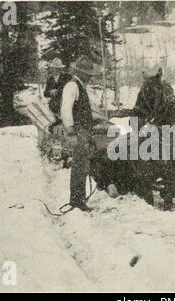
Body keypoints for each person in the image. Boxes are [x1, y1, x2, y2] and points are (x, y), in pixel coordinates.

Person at [60, 56, 99, 211]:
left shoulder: (81, 86)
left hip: (85, 130)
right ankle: (77, 201)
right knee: (79, 166)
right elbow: (65, 110)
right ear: (81, 73)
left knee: (82, 166)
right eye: (87, 74)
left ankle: (79, 199)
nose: (89, 77)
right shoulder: (72, 86)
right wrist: (70, 132)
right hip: (79, 131)